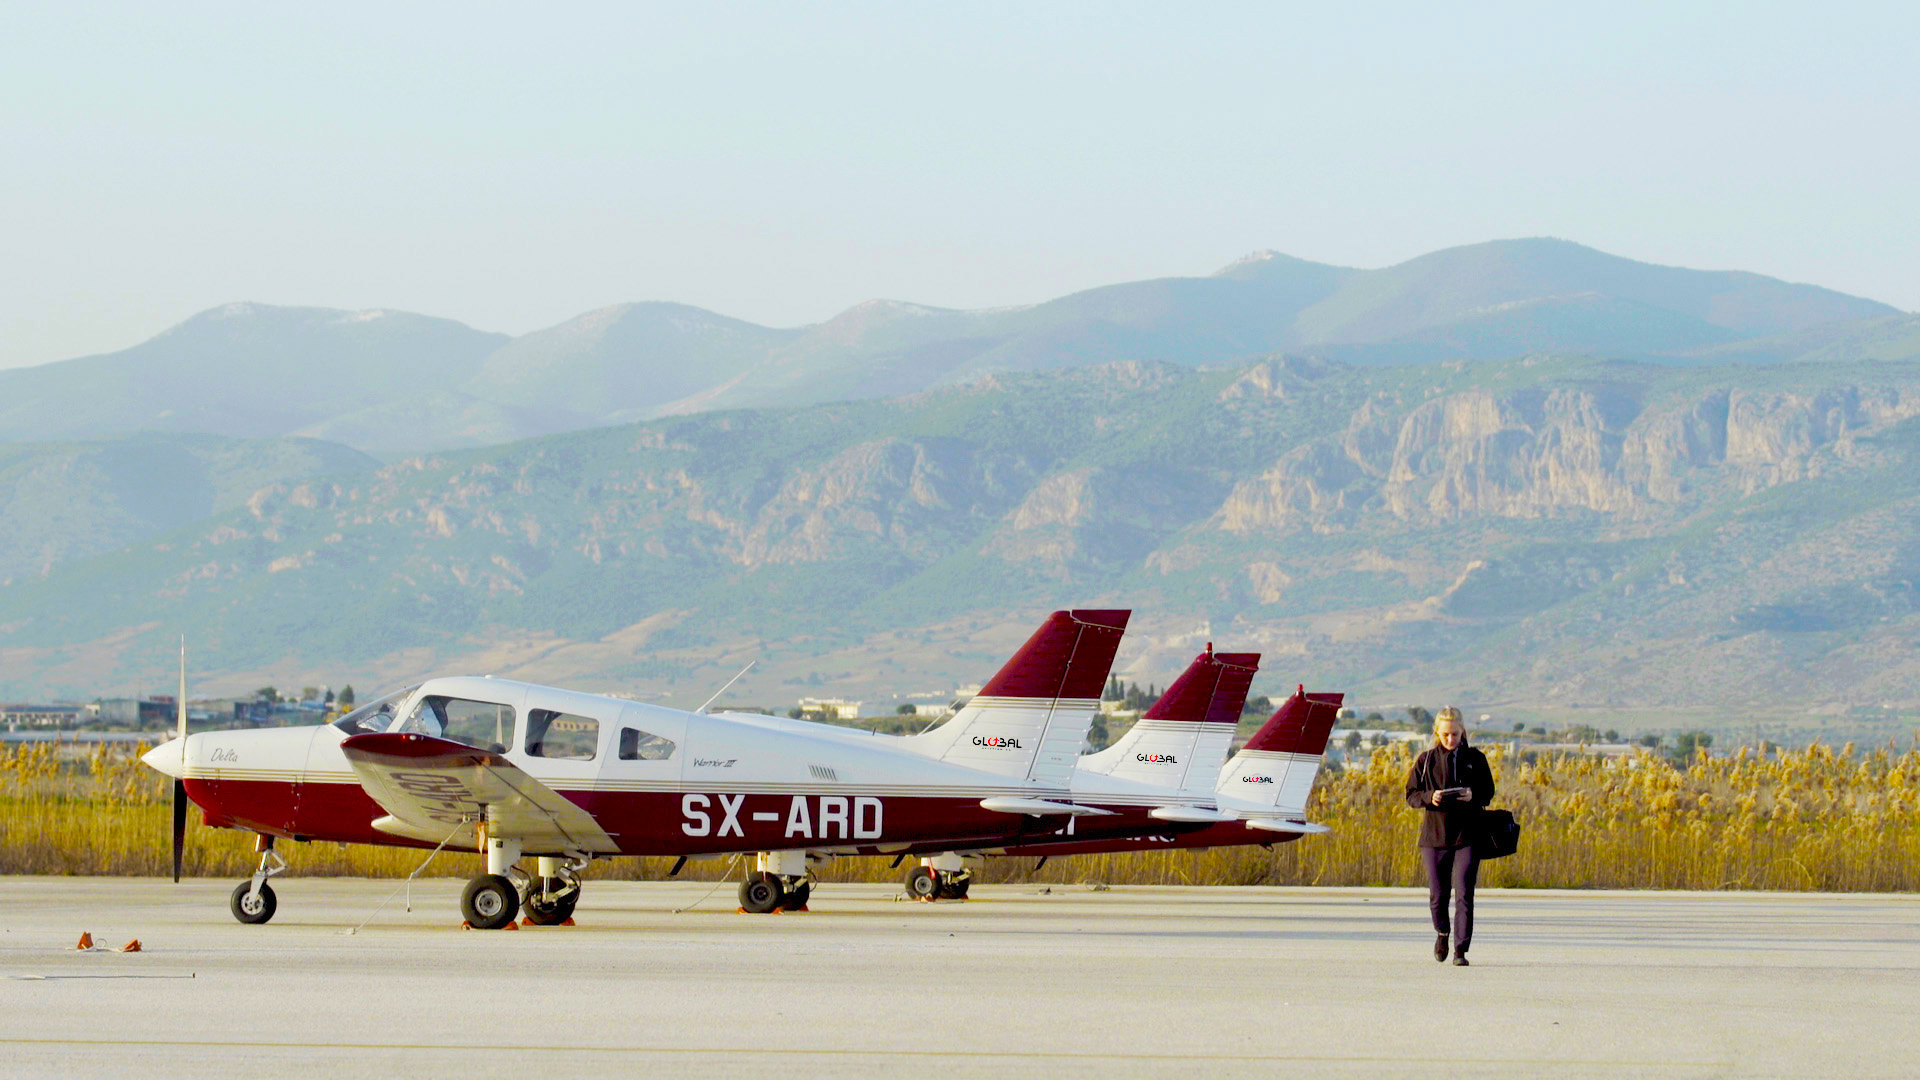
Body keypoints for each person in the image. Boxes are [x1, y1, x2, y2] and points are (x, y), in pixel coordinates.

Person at [1404, 705, 1495, 966]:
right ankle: (1442, 932)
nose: (1450, 739)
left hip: (1468, 835)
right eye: (1445, 734)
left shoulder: (1476, 759)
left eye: (1455, 734)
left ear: (1463, 731)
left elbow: (1488, 792)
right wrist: (1429, 797)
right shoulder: (1426, 760)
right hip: (1435, 836)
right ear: (1437, 732)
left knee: (1465, 893)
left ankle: (1460, 951)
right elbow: (1411, 794)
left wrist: (1472, 795)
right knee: (1438, 893)